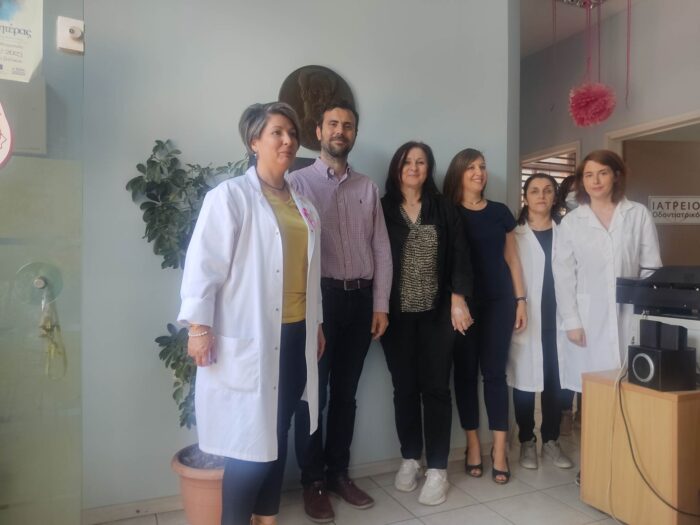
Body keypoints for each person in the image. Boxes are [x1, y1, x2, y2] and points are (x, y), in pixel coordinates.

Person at [178, 102, 324, 525]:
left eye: (292, 133)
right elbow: (203, 266)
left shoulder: (304, 204)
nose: (288, 140)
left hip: (295, 334)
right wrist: (198, 328)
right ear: (254, 141)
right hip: (251, 337)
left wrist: (316, 324)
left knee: (277, 435)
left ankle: (266, 519)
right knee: (249, 444)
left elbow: (311, 273)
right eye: (277, 132)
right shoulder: (230, 197)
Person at [288, 100, 392, 522]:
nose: (340, 131)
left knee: (346, 395)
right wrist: (309, 313)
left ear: (354, 135)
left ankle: (338, 474)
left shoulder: (367, 187)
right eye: (333, 124)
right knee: (312, 396)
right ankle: (312, 481)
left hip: (360, 301)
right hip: (321, 302)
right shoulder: (296, 183)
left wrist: (380, 304)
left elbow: (381, 248)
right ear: (318, 131)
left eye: (348, 126)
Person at [552, 149, 661, 485]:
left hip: (631, 315)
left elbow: (651, 267)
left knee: (631, 390)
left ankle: (628, 466)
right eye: (588, 175)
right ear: (581, 181)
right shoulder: (572, 222)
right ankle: (594, 466)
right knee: (596, 396)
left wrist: (645, 310)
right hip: (587, 321)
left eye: (602, 173)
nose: (595, 180)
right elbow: (563, 275)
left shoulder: (637, 214)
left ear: (616, 175)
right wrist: (572, 321)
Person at [380, 142, 473, 505]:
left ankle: (437, 469)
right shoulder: (382, 208)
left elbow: (460, 255)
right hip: (395, 316)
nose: (414, 167)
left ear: (428, 168)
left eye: (421, 162)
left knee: (436, 389)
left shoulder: (443, 207)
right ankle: (410, 458)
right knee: (403, 388)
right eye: (407, 161)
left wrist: (458, 297)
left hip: (437, 315)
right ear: (396, 167)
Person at [443, 148, 527, 485]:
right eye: (471, 167)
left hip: (499, 302)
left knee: (494, 374)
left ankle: (500, 450)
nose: (479, 172)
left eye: (482, 166)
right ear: (459, 174)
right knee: (465, 375)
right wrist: (456, 300)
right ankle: (473, 446)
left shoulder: (500, 212)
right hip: (462, 305)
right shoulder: (448, 212)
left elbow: (512, 259)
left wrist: (520, 300)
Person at [507, 173, 574, 471]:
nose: (541, 196)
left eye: (547, 190)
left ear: (555, 196)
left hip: (559, 319)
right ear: (526, 197)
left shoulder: (567, 233)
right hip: (526, 317)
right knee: (524, 382)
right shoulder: (514, 234)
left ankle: (551, 440)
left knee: (555, 383)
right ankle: (526, 440)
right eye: (534, 191)